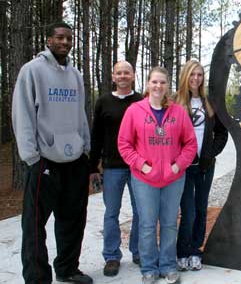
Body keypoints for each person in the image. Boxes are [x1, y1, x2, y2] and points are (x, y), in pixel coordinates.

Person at [12, 22, 93, 283]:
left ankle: (67, 269)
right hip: (45, 161)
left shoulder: (75, 75)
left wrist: (86, 148)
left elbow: (81, 114)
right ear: (48, 40)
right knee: (34, 226)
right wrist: (31, 156)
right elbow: (23, 114)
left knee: (72, 221)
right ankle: (37, 278)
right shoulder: (32, 71)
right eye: (59, 38)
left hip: (74, 160)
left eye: (69, 38)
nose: (65, 42)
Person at [118, 66, 197, 284]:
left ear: (167, 86)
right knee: (147, 224)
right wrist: (141, 165)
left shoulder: (178, 112)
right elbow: (124, 144)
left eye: (162, 82)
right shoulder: (134, 111)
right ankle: (149, 268)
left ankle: (168, 266)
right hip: (144, 180)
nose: (158, 86)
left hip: (173, 179)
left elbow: (190, 144)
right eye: (154, 82)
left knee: (170, 223)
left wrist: (177, 166)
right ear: (147, 84)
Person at [89, 60, 142, 276]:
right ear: (113, 76)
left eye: (126, 73)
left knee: (141, 211)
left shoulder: (141, 101)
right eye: (119, 73)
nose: (122, 76)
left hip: (138, 167)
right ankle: (111, 255)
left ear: (133, 75)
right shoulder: (103, 102)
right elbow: (96, 136)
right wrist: (93, 167)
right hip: (112, 167)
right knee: (112, 212)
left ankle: (139, 251)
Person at [175, 59, 228, 271]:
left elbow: (222, 134)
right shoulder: (175, 103)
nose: (196, 79)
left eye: (199, 75)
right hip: (184, 167)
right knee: (188, 211)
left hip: (205, 166)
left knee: (201, 208)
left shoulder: (210, 103)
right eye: (192, 74)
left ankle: (196, 250)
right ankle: (182, 251)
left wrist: (210, 153)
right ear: (185, 77)